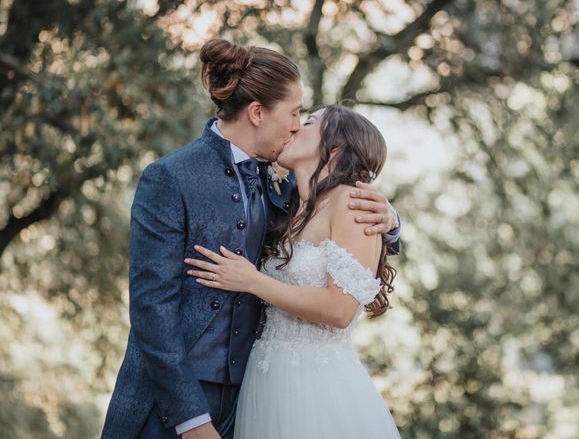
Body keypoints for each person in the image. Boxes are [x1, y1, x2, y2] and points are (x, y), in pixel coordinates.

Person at [101, 39, 401, 439]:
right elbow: (151, 308)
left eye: (305, 118)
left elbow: (341, 237)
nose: (297, 124)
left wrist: (393, 222)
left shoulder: (286, 190)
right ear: (258, 112)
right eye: (295, 113)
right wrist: (191, 421)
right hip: (170, 406)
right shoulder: (171, 177)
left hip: (254, 403)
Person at [185, 104, 402, 438]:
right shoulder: (294, 209)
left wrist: (252, 280)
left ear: (335, 148)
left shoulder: (352, 204)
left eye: (310, 121)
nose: (297, 126)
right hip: (266, 381)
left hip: (316, 390)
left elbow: (340, 310)